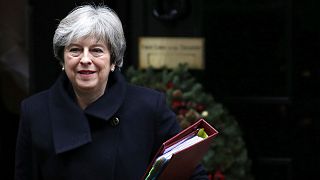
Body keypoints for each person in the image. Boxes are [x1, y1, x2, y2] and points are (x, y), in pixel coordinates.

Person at [14, 4, 209, 180]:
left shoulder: (148, 107)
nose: (85, 59)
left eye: (97, 50)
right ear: (62, 60)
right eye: (75, 50)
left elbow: (191, 175)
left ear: (113, 60)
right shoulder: (35, 111)